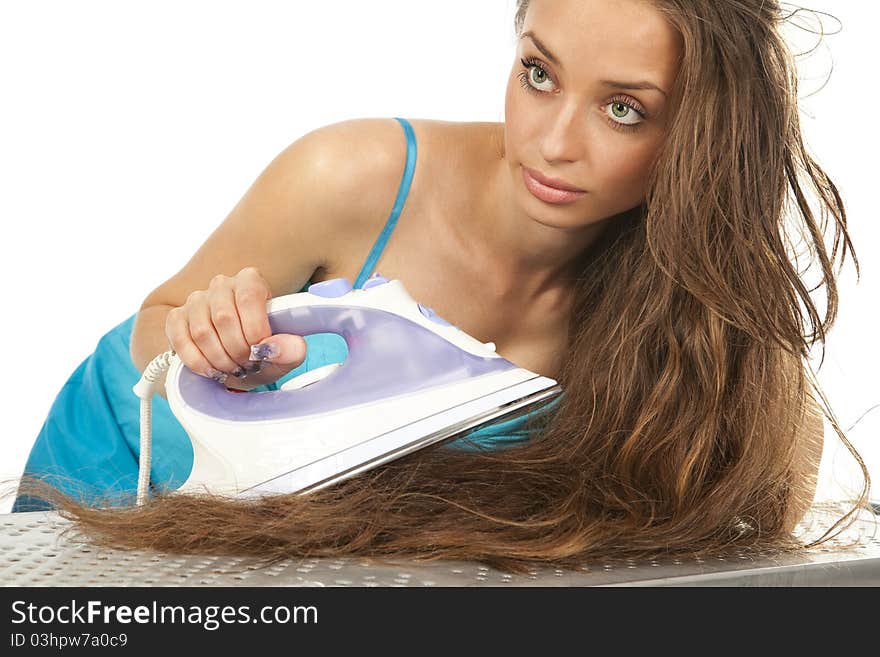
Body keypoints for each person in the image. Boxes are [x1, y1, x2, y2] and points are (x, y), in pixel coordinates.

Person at [11, 0, 868, 574]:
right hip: (117, 478)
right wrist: (208, 334)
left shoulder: (692, 313)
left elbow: (766, 509)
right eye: (539, 72)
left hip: (329, 553)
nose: (555, 141)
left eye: (624, 109)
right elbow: (160, 321)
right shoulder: (350, 175)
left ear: (705, 136)